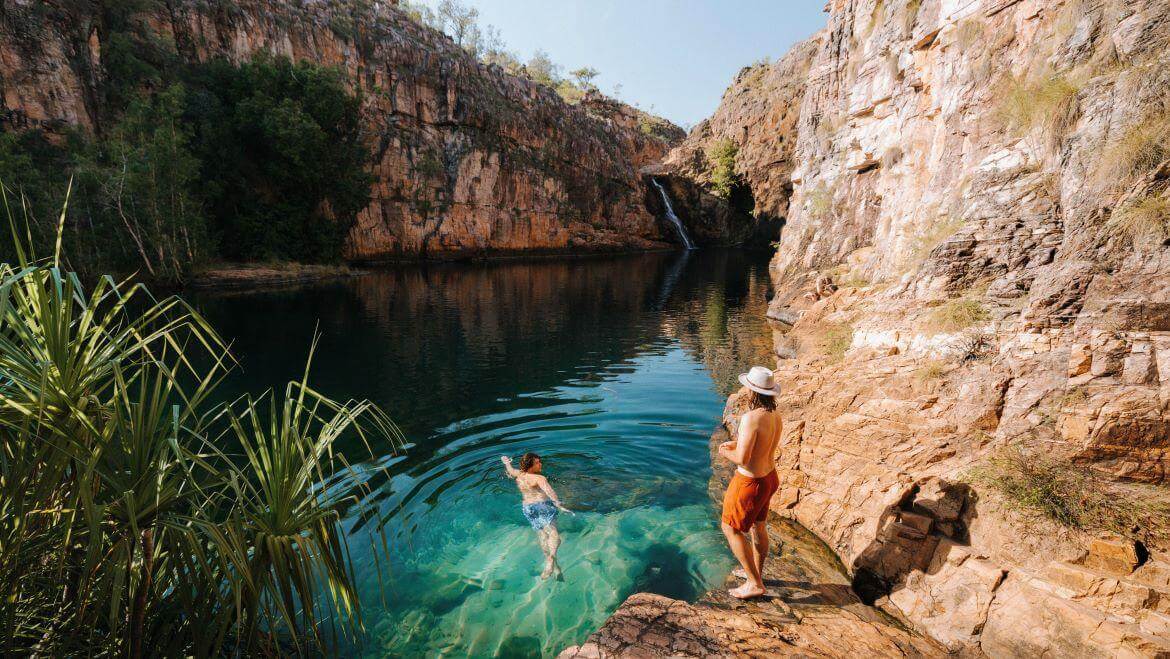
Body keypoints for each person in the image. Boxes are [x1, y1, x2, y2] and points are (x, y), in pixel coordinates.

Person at [717, 366, 783, 599]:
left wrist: (724, 452)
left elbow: (743, 459)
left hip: (750, 483)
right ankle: (756, 574)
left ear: (752, 391)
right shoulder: (774, 415)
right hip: (769, 478)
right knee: (758, 526)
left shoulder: (751, 418)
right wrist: (736, 445)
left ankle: (755, 583)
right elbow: (762, 446)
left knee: (730, 529)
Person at [501, 452, 572, 579]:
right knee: (554, 535)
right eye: (537, 463)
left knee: (542, 535)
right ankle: (551, 559)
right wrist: (560, 505)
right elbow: (550, 492)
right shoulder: (540, 478)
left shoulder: (519, 475)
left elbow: (510, 470)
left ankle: (553, 566)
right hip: (543, 506)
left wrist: (507, 462)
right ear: (530, 466)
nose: (540, 464)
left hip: (528, 508)